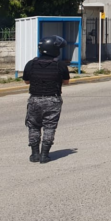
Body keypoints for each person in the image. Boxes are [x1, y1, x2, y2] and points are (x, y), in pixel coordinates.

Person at [23, 36, 69, 164]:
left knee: (33, 127)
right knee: (49, 127)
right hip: (52, 100)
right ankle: (45, 155)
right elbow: (66, 82)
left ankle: (34, 154)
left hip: (34, 99)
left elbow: (27, 80)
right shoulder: (60, 64)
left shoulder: (31, 63)